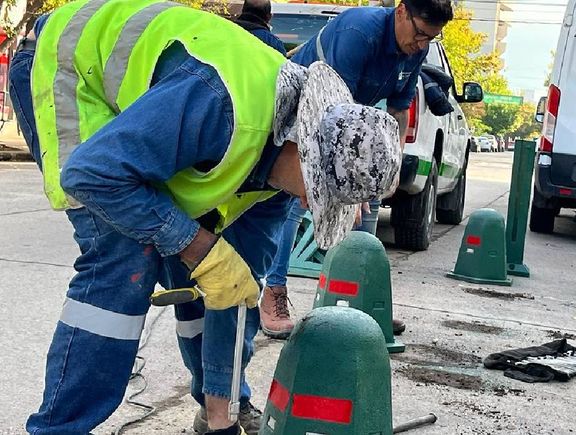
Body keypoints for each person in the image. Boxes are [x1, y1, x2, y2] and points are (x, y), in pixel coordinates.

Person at [8, 1, 400, 434]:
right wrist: (195, 243)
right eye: (318, 193)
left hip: (145, 99)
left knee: (212, 270)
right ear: (302, 150)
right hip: (68, 65)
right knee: (126, 256)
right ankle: (59, 428)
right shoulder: (220, 104)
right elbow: (91, 174)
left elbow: (233, 288)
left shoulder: (279, 184)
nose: (309, 206)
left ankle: (214, 407)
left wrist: (223, 419)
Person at [261, 0, 454, 339]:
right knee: (294, 202)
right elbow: (328, 108)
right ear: (401, 11)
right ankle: (272, 294)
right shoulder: (359, 32)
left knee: (370, 201)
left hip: (345, 119)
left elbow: (397, 111)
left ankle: (361, 300)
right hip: (302, 111)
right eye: (420, 34)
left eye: (430, 39)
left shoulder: (416, 49)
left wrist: (389, 167)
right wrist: (344, 181)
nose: (422, 45)